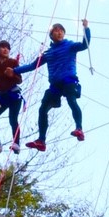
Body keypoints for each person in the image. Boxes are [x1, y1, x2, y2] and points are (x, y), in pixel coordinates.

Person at [18, 19, 90, 151]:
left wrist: (86, 29)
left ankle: (79, 128)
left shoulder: (70, 46)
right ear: (51, 35)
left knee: (72, 100)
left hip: (69, 79)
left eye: (61, 30)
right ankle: (41, 140)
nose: (59, 32)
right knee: (42, 109)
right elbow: (32, 66)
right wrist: (15, 71)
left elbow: (85, 45)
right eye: (56, 31)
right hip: (55, 84)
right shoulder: (48, 53)